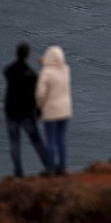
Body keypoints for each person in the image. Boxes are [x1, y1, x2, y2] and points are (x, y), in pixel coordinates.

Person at [3, 42, 52, 178]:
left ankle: (18, 171)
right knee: (36, 140)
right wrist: (38, 112)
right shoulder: (31, 75)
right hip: (26, 113)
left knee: (14, 143)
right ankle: (49, 166)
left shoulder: (10, 70)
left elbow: (6, 72)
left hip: (11, 111)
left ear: (17, 54)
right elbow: (35, 96)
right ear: (27, 55)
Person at [36, 45, 72, 175]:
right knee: (61, 140)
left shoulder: (46, 72)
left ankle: (50, 168)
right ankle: (63, 167)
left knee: (51, 140)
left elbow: (40, 94)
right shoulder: (66, 69)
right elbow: (57, 63)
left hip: (51, 111)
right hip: (65, 111)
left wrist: (39, 108)